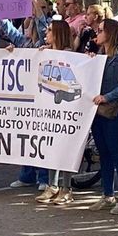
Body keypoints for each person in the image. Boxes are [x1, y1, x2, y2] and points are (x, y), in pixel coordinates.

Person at [89, 19, 118, 215]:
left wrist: (107, 97)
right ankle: (108, 194)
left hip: (115, 110)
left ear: (110, 33)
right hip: (98, 110)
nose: (96, 34)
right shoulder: (99, 55)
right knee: (104, 151)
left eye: (100, 31)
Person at [34, 20, 78, 206]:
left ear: (58, 34)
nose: (46, 32)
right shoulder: (45, 52)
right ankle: (52, 185)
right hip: (49, 110)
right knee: (52, 147)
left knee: (66, 150)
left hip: (65, 112)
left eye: (50, 30)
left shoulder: (68, 55)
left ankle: (66, 188)